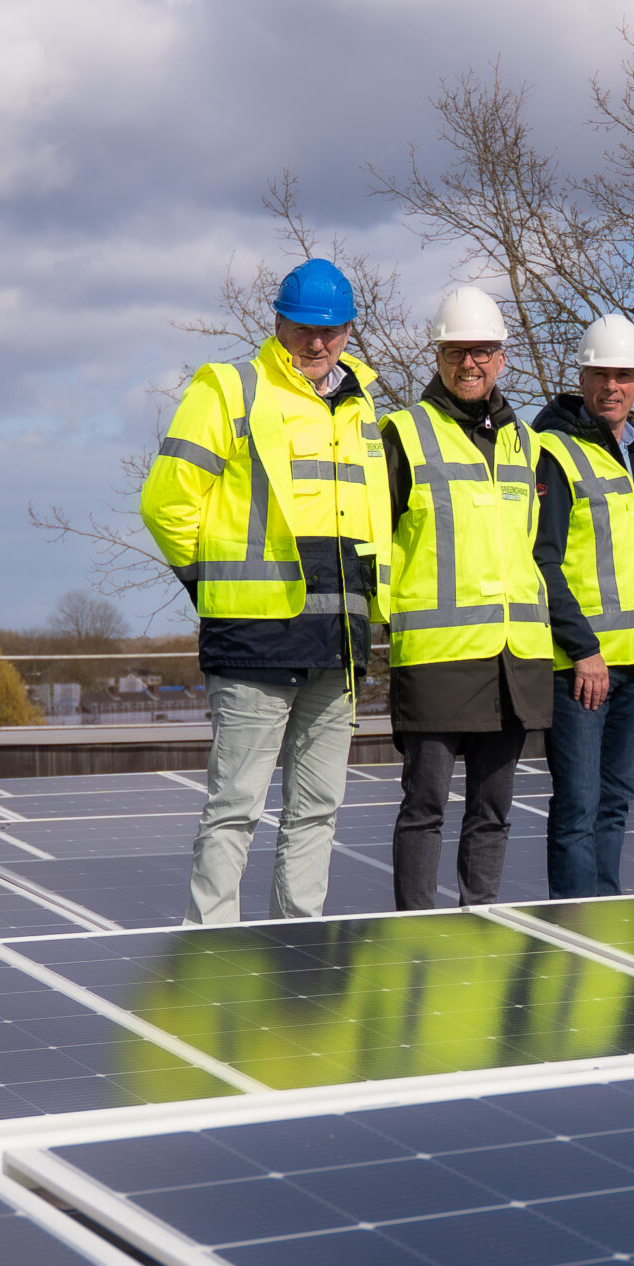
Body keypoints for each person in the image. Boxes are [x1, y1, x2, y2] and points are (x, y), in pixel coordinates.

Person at [141, 258, 388, 924]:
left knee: (317, 811)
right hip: (254, 641)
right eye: (304, 327)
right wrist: (212, 585)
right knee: (235, 809)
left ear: (348, 330)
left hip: (336, 645)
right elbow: (166, 504)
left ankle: (299, 951)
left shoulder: (361, 405)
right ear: (277, 321)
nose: (317, 342)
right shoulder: (231, 390)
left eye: (331, 330)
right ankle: (211, 952)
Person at [381, 286, 555, 909]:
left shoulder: (526, 443)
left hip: (514, 660)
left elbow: (535, 552)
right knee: (424, 806)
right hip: (437, 659)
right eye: (456, 352)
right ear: (438, 357)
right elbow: (377, 543)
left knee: (493, 810)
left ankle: (480, 922)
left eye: (482, 351)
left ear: (502, 358)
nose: (470, 363)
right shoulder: (404, 434)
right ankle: (416, 929)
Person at [533, 314, 634, 897]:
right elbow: (542, 561)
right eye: (601, 375)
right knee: (578, 806)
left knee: (615, 802)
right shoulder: (554, 453)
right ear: (583, 378)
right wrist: (583, 649)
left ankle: (605, 919)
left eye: (625, 376)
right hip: (581, 666)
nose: (613, 387)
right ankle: (572, 926)